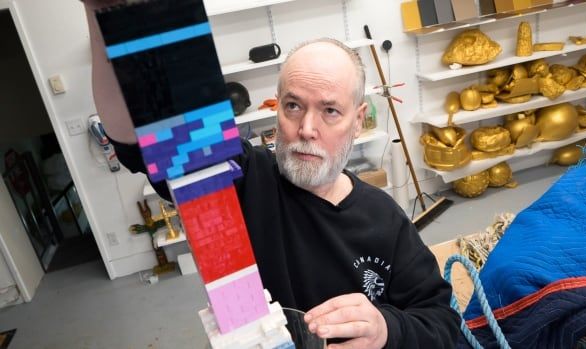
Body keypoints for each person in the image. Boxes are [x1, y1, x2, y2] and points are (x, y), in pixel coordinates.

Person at [81, 2, 460, 348]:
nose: (307, 128)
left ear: (358, 120)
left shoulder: (385, 219)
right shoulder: (243, 177)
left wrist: (386, 329)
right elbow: (137, 138)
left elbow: (442, 323)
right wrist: (101, 13)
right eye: (294, 106)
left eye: (330, 111)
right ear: (277, 108)